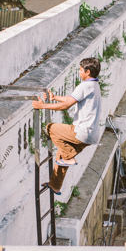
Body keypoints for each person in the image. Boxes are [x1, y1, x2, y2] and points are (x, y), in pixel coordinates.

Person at [32, 57, 103, 194]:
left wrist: (42, 106)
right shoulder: (94, 86)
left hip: (81, 131)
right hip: (91, 135)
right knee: (63, 156)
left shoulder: (85, 86)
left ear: (87, 72)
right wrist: (54, 98)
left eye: (81, 70)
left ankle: (67, 156)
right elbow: (71, 99)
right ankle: (55, 185)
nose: (79, 72)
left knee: (50, 128)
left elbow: (66, 105)